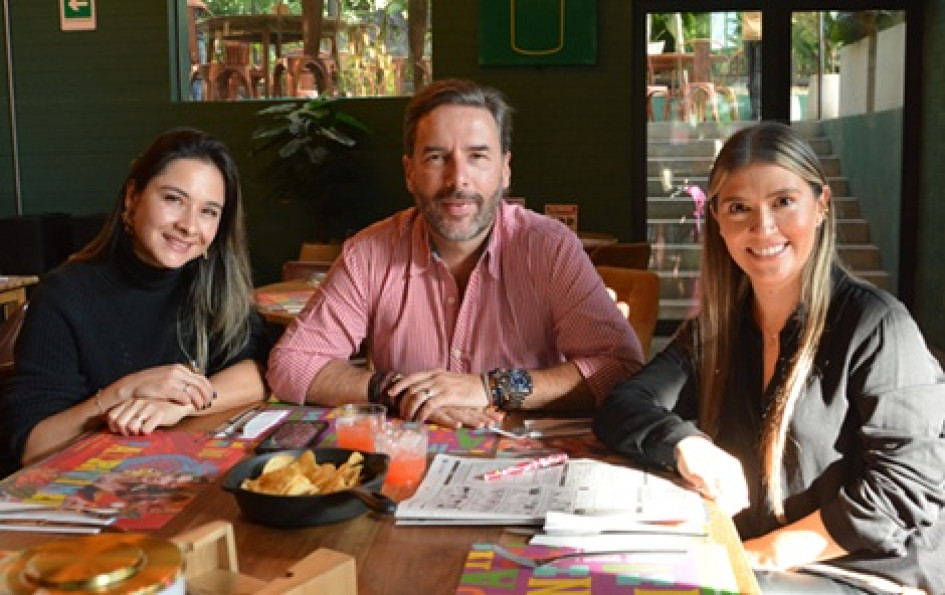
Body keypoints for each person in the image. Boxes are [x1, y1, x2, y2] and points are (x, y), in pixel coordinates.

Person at [594, 122, 945, 594]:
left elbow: (904, 492)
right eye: (739, 208)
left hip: (863, 574)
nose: (763, 228)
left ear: (820, 206)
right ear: (717, 220)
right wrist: (684, 444)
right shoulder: (719, 329)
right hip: (754, 562)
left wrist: (757, 554)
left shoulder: (877, 325)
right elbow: (624, 403)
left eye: (783, 202)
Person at [268, 79, 643, 429]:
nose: (457, 179)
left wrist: (491, 387)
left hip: (524, 463)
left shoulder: (550, 247)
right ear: (409, 172)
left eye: (477, 156)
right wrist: (402, 391)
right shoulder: (369, 253)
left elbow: (619, 367)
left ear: (505, 170)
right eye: (435, 157)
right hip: (409, 465)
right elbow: (291, 364)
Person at [0, 128, 271, 477]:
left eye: (208, 211)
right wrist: (125, 391)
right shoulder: (64, 294)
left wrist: (179, 405)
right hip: (84, 493)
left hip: (174, 476)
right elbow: (33, 447)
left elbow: (259, 372)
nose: (189, 225)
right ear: (132, 197)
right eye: (174, 199)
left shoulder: (212, 282)